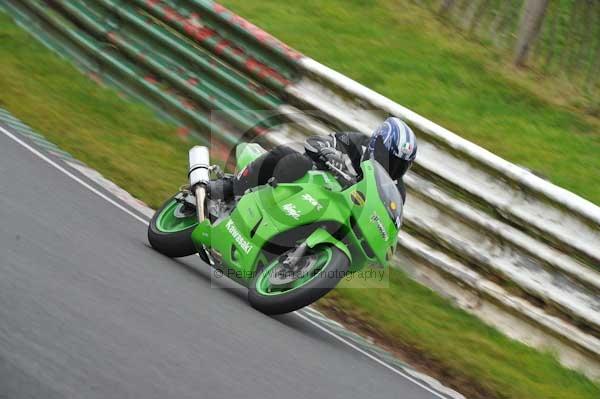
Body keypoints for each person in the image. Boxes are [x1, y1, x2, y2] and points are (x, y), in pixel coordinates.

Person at [231, 117, 417, 203]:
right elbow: (315, 142)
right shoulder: (355, 143)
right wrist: (329, 155)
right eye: (390, 159)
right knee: (291, 158)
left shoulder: (396, 191)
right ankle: (231, 188)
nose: (392, 167)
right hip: (312, 182)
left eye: (400, 165)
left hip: (336, 208)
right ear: (376, 145)